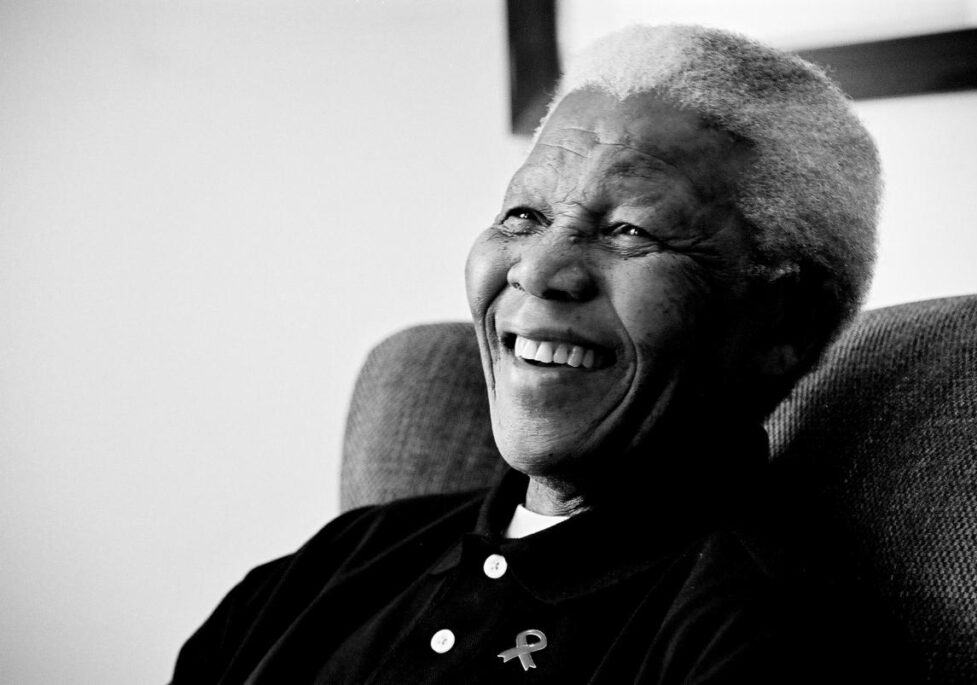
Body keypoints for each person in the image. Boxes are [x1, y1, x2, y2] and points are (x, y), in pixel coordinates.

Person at [172, 24, 901, 684]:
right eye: (525, 215)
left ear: (784, 323)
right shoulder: (332, 568)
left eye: (631, 230)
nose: (539, 269)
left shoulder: (762, 632)